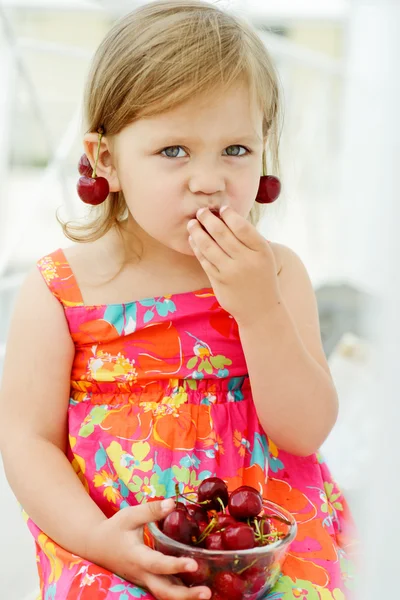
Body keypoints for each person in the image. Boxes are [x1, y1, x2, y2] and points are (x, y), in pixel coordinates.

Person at [0, 1, 356, 599]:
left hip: (262, 534)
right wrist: (99, 538)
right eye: (174, 152)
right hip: (119, 540)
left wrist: (258, 309)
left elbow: (305, 431)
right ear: (106, 160)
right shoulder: (61, 291)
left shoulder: (277, 274)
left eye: (236, 151)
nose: (209, 179)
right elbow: (26, 440)